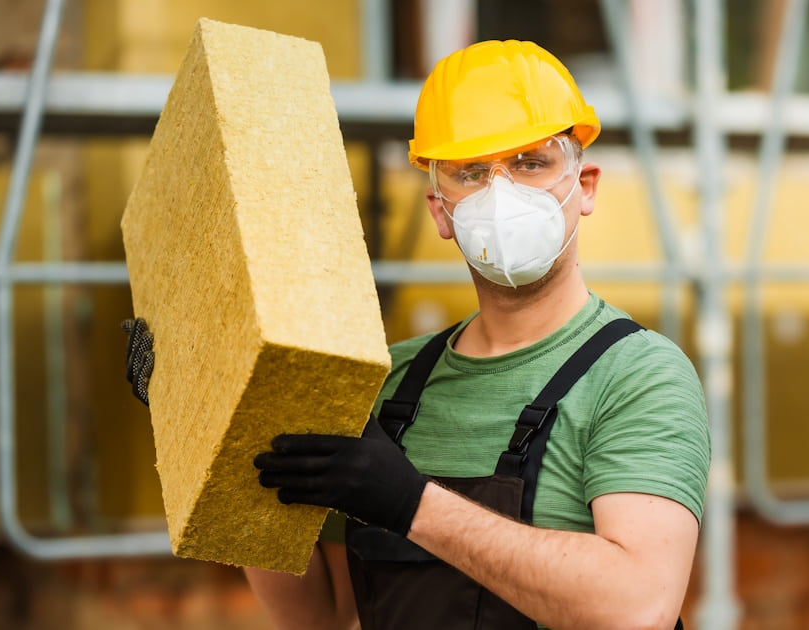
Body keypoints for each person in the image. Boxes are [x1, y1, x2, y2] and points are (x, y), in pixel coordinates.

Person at [127, 39, 710, 630]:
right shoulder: (384, 381)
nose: (502, 193)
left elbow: (638, 607)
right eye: (472, 173)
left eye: (531, 162)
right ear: (440, 209)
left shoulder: (638, 375)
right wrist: (204, 420)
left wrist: (412, 504)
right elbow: (321, 617)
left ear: (584, 186)